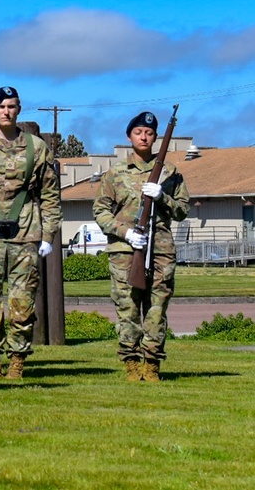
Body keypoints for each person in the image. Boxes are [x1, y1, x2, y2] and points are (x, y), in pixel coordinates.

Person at [93, 111, 190, 382]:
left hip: (160, 249)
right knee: (128, 308)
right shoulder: (115, 173)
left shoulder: (170, 173)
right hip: (125, 251)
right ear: (129, 136)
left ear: (156, 138)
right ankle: (132, 364)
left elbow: (182, 210)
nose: (144, 137)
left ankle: (152, 364)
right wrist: (124, 233)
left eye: (149, 133)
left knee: (157, 308)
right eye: (138, 132)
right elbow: (100, 211)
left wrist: (163, 198)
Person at [0, 86, 61, 380]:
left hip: (26, 232)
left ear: (19, 110)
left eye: (12, 106)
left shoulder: (36, 148)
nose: (7, 111)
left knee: (22, 303)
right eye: (1, 106)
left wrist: (48, 236)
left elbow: (50, 194)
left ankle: (17, 360)